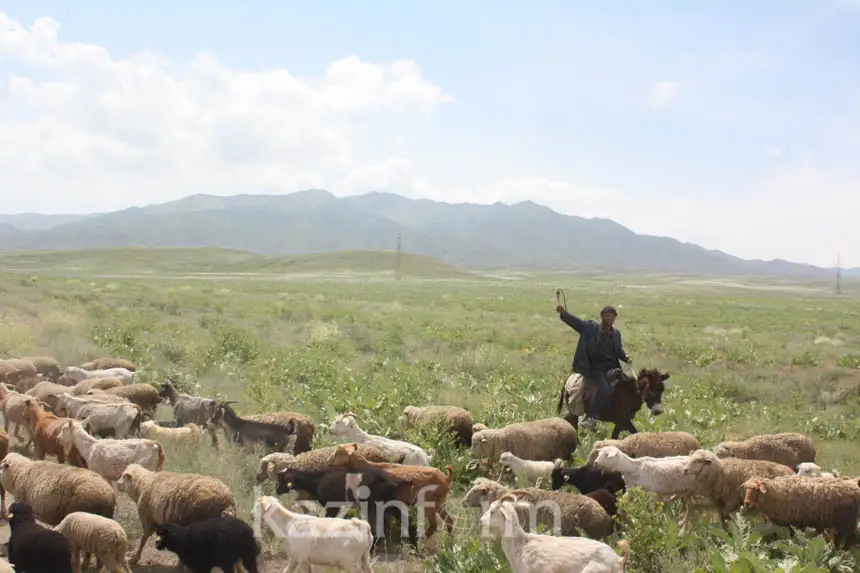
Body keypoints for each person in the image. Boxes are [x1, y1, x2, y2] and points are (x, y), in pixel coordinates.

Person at [555, 303, 632, 431]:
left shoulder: (616, 333)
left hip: (612, 367)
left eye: (611, 316)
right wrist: (564, 313)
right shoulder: (591, 328)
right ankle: (590, 417)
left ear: (615, 318)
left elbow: (618, 350)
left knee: (627, 386)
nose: (609, 318)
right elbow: (577, 323)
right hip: (596, 367)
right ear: (601, 316)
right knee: (605, 389)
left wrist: (626, 357)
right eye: (606, 316)